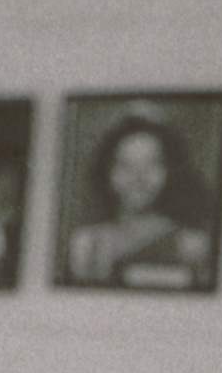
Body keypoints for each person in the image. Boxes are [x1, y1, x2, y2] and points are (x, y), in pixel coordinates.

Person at [60, 111, 213, 290]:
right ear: (106, 172)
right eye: (125, 166)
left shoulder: (192, 246)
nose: (139, 178)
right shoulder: (86, 244)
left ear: (171, 171)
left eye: (152, 164)